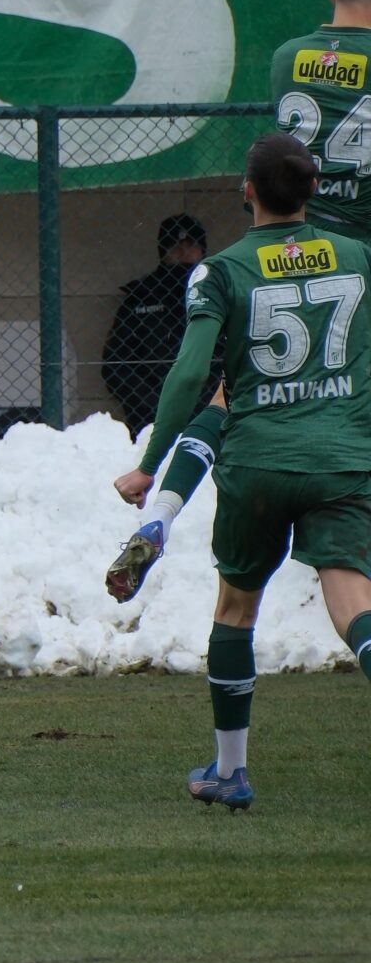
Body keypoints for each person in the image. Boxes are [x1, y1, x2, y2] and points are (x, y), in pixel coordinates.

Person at [110, 133, 371, 811]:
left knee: (235, 607)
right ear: (314, 189)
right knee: (354, 603)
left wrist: (147, 464)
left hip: (255, 459)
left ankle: (231, 771)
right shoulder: (358, 257)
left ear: (246, 191)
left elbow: (193, 373)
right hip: (340, 457)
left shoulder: (221, 270)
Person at [109, 0, 371, 598]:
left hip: (287, 254)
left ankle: (161, 512)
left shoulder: (287, 58)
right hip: (354, 265)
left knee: (229, 395)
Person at [100, 212, 209, 436]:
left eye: (191, 245)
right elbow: (116, 364)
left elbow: (232, 356)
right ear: (163, 251)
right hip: (149, 416)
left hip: (208, 411)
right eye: (176, 246)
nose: (184, 253)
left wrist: (207, 402)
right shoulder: (140, 296)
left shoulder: (217, 293)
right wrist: (154, 404)